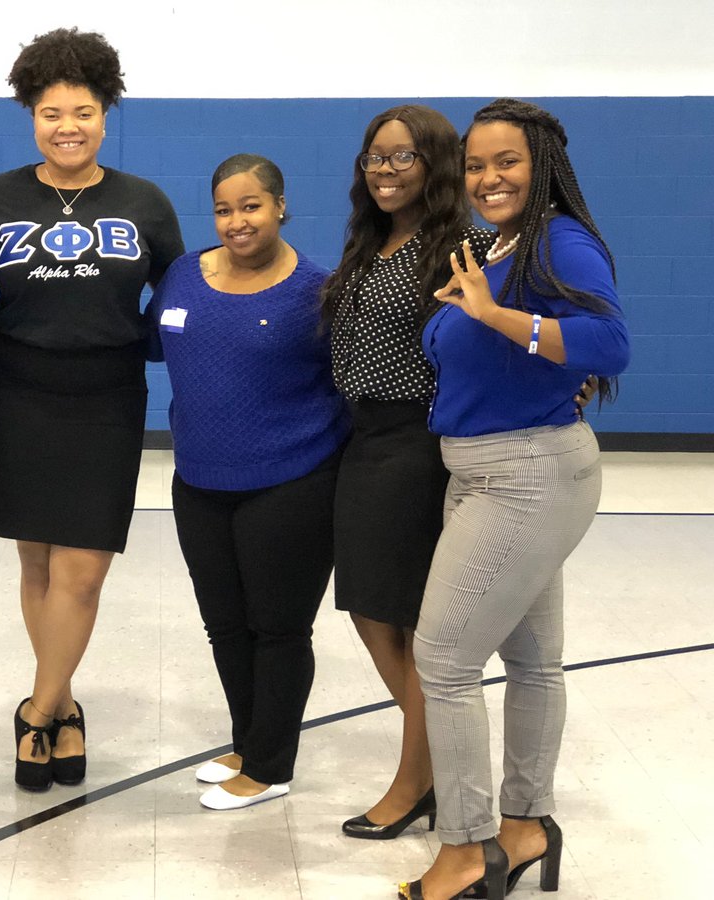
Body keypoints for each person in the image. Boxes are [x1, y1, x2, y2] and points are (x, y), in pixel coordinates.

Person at [397, 99, 631, 900]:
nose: (488, 177)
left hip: (527, 472)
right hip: (483, 468)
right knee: (531, 662)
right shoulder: (490, 246)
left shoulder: (561, 241)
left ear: (542, 167)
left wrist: (502, 318)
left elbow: (610, 344)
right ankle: (525, 825)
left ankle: (465, 852)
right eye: (475, 165)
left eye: (508, 162)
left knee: (445, 659)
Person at [0, 27, 184, 791]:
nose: (68, 126)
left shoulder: (143, 202)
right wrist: (1, 340)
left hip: (108, 394)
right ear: (32, 113)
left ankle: (38, 709)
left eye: (84, 111)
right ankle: (63, 710)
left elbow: (183, 292)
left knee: (83, 570)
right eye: (52, 111)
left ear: (105, 112)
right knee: (36, 560)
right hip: (21, 392)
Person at [150, 154, 349, 810]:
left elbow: (351, 384)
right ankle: (248, 740)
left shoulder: (317, 290)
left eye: (252, 206)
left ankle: (270, 767)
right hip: (199, 481)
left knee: (279, 628)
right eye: (225, 209)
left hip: (290, 481)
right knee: (226, 626)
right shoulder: (184, 274)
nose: (238, 221)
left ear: (281, 206)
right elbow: (149, 342)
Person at [321, 105, 493, 840]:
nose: (385, 172)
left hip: (417, 440)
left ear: (434, 164)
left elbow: (509, 325)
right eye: (375, 159)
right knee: (368, 605)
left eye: (402, 158)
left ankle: (413, 781)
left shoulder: (462, 242)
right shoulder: (371, 238)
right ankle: (437, 761)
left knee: (413, 620)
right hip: (360, 435)